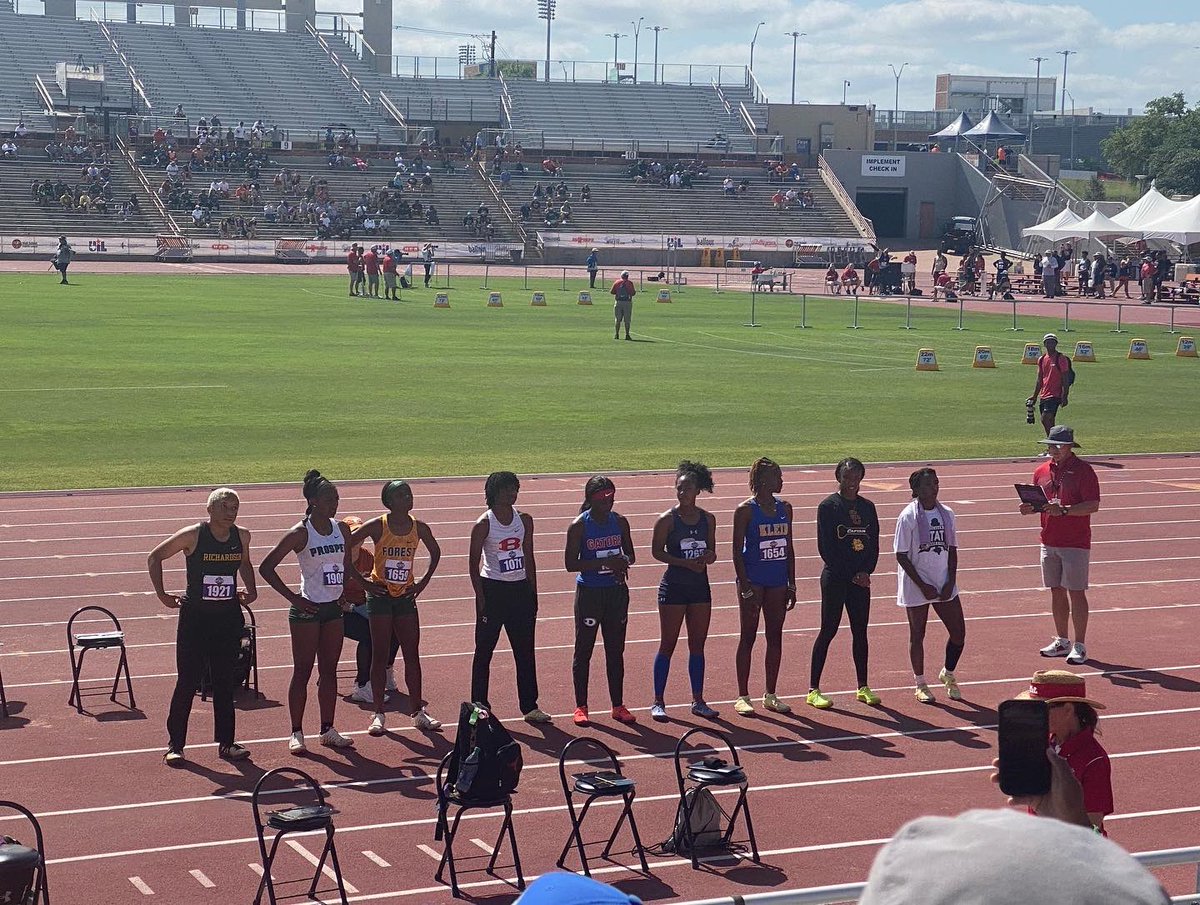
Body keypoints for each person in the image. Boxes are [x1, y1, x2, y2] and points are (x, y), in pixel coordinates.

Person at [147, 488, 257, 765]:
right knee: (187, 681)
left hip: (227, 618)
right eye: (225, 507)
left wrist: (251, 590)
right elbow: (155, 557)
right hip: (196, 619)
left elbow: (245, 562)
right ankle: (176, 745)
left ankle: (227, 744)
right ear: (210, 509)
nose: (231, 512)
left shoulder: (241, 536)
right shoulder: (193, 535)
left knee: (224, 682)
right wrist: (161, 595)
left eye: (235, 507)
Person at [857, 809, 1166, 905]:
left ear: (1070, 710)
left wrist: (1075, 833)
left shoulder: (1091, 757)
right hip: (1061, 847)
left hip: (1065, 853)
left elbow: (1096, 820)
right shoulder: (1052, 750)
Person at [258, 471, 356, 754]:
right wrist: (294, 598)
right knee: (302, 671)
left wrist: (344, 592)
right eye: (328, 499)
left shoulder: (342, 529)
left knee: (329, 671)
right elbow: (267, 567)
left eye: (336, 498)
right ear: (312, 501)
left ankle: (328, 729)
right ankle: (296, 731)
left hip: (333, 611)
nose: (334, 503)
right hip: (307, 611)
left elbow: (346, 562)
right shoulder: (301, 533)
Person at [349, 480, 443, 736]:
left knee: (411, 653)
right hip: (379, 596)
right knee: (379, 654)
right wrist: (361, 582)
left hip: (404, 598)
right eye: (401, 494)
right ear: (389, 502)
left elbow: (436, 552)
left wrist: (422, 582)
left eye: (409, 493)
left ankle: (418, 712)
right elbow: (346, 546)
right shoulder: (377, 526)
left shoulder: (419, 527)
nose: (407, 497)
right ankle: (378, 713)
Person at [468, 471, 551, 724]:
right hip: (493, 590)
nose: (513, 493)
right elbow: (473, 564)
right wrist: (481, 598)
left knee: (525, 651)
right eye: (507, 489)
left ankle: (530, 706)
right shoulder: (484, 524)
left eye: (515, 488)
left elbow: (529, 556)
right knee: (484, 652)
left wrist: (533, 591)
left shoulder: (525, 520)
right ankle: (479, 705)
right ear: (494, 492)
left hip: (520, 591)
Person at [1020, 426, 1100, 665]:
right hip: (1049, 539)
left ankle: (1080, 644)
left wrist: (1064, 510)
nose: (1052, 450)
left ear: (1069, 446)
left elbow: (1093, 505)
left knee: (1076, 592)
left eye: (1057, 446)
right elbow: (1042, 503)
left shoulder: (1084, 471)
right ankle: (1063, 640)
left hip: (1075, 542)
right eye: (1050, 445)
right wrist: (1030, 508)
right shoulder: (1041, 471)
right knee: (1056, 590)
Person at [808, 457, 881, 709]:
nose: (851, 482)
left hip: (860, 580)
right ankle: (813, 689)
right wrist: (852, 573)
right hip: (836, 578)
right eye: (847, 477)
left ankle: (863, 686)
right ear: (838, 478)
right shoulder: (828, 507)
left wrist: (866, 571)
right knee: (828, 630)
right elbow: (826, 548)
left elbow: (874, 544)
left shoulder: (868, 507)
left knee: (860, 631)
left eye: (856, 477)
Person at [649, 461, 719, 722]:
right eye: (679, 488)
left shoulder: (708, 519)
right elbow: (656, 552)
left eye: (687, 488)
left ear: (697, 490)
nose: (682, 493)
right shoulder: (667, 520)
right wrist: (683, 563)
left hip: (700, 588)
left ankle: (698, 700)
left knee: (697, 645)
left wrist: (708, 557)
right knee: (667, 643)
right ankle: (658, 701)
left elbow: (712, 551)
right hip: (674, 588)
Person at [564, 476, 636, 727]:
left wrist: (622, 561)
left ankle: (618, 705)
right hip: (590, 594)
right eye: (603, 497)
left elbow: (632, 555)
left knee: (615, 650)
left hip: (616, 593)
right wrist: (605, 563)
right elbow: (570, 564)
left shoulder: (620, 522)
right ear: (591, 499)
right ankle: (581, 706)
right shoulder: (579, 526)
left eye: (612, 496)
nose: (609, 501)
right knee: (584, 649)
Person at [894, 468, 966, 704]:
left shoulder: (947, 514)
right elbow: (901, 555)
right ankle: (920, 683)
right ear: (915, 490)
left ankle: (948, 673)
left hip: (943, 581)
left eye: (935, 483)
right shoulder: (908, 516)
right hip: (917, 584)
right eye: (926, 485)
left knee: (958, 633)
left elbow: (953, 549)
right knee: (918, 633)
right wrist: (922, 585)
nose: (933, 488)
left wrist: (950, 582)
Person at [730, 457, 795, 716]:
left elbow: (789, 547)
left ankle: (771, 694)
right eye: (778, 476)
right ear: (764, 481)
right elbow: (736, 550)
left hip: (778, 581)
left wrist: (793, 583)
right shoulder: (745, 510)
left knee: (775, 636)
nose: (782, 481)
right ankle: (743, 695)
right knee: (748, 635)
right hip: (754, 581)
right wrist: (745, 586)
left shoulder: (785, 508)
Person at [1013, 668, 1113, 833]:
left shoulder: (1094, 760)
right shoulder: (1042, 744)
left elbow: (1092, 825)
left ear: (1068, 710)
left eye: (1040, 709)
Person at [340, 516, 400, 704]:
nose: (358, 537)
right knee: (369, 634)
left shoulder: (368, 557)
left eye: (360, 532)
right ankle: (362, 685)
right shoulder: (338, 558)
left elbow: (379, 582)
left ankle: (387, 668)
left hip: (362, 607)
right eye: (353, 533)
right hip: (340, 612)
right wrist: (350, 607)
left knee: (396, 626)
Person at [1028, 333, 1072, 436]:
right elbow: (1040, 379)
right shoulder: (1042, 359)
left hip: (1055, 394)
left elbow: (1065, 378)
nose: (1050, 344)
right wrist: (1034, 396)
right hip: (1044, 394)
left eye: (1052, 342)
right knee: (1050, 421)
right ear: (1044, 344)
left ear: (1056, 344)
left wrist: (1065, 396)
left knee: (1045, 419)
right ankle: (1055, 445)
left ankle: (1052, 443)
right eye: (1048, 342)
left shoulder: (1061, 358)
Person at [610, 270, 636, 341]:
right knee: (627, 320)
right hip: (627, 302)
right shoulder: (630, 283)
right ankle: (627, 334)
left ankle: (616, 334)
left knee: (617, 319)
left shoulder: (617, 282)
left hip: (618, 302)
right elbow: (633, 293)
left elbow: (612, 292)